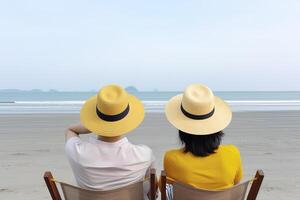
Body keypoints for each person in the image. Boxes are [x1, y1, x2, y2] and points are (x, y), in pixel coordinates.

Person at [65, 84, 155, 199]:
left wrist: (93, 126)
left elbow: (70, 129)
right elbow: (151, 192)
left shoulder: (76, 151)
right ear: (126, 122)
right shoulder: (145, 154)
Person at [163, 84, 243, 199]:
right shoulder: (232, 153)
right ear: (216, 127)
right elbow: (236, 184)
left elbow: (167, 192)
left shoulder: (171, 158)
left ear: (182, 130)